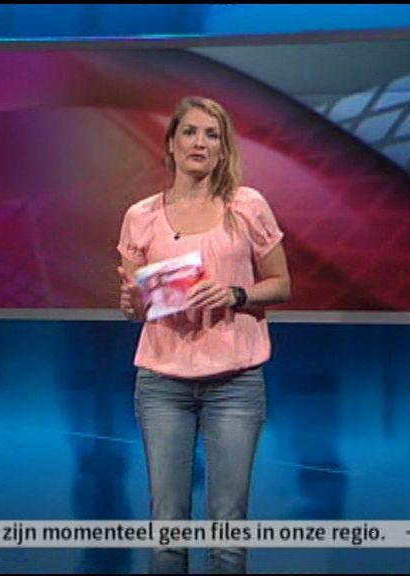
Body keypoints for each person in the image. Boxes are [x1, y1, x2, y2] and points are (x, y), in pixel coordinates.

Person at [116, 96, 291, 574]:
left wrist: (237, 294)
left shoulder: (247, 206)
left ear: (223, 148)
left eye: (212, 135)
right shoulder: (140, 216)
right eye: (190, 132)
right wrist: (131, 303)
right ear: (171, 144)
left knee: (228, 534)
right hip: (162, 385)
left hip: (235, 384)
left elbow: (281, 284)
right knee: (168, 532)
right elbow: (136, 309)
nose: (200, 142)